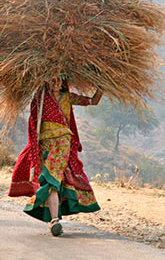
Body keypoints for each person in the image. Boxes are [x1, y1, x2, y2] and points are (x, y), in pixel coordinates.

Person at [9, 77, 102, 236]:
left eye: (59, 80)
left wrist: (103, 87)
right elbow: (33, 122)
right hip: (45, 143)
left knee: (52, 178)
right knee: (52, 179)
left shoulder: (68, 97)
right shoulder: (40, 98)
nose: (56, 83)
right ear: (46, 81)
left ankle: (53, 220)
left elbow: (93, 101)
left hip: (62, 143)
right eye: (53, 80)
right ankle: (54, 220)